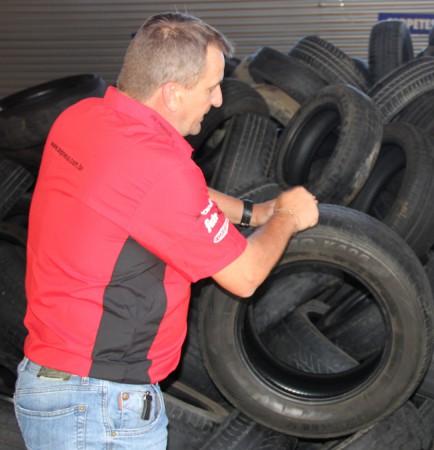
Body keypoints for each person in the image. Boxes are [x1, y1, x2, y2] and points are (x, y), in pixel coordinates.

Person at [14, 12, 318, 449]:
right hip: (100, 407)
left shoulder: (82, 119)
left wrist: (256, 212)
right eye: (211, 86)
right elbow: (246, 275)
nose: (217, 100)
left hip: (50, 381)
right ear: (172, 94)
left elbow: (161, 196)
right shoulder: (160, 171)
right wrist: (287, 216)